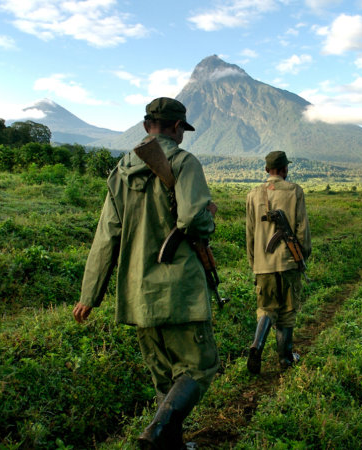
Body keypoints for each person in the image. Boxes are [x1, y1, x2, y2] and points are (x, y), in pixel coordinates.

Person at [72, 97, 220, 449]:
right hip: (179, 290)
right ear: (176, 127)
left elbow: (107, 235)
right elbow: (192, 220)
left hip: (139, 294)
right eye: (181, 128)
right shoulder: (184, 162)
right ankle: (156, 432)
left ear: (144, 127)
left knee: (164, 380)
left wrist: (89, 296)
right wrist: (209, 216)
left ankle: (171, 444)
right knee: (199, 367)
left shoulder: (120, 171)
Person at [245, 151, 311, 374]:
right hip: (289, 262)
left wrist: (255, 263)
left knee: (266, 308)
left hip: (263, 265)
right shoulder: (295, 191)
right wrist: (302, 255)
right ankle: (285, 359)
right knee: (287, 311)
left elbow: (250, 234)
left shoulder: (253, 194)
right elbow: (302, 230)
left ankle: (257, 346)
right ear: (285, 170)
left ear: (266, 170)